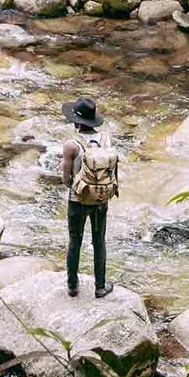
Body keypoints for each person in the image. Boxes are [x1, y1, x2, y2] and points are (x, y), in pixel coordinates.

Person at [60, 96, 119, 298]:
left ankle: (72, 286)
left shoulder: (71, 145)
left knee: (75, 241)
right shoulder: (106, 140)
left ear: (77, 122)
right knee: (99, 241)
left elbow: (66, 179)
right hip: (101, 200)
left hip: (78, 201)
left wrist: (78, 187)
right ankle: (100, 286)